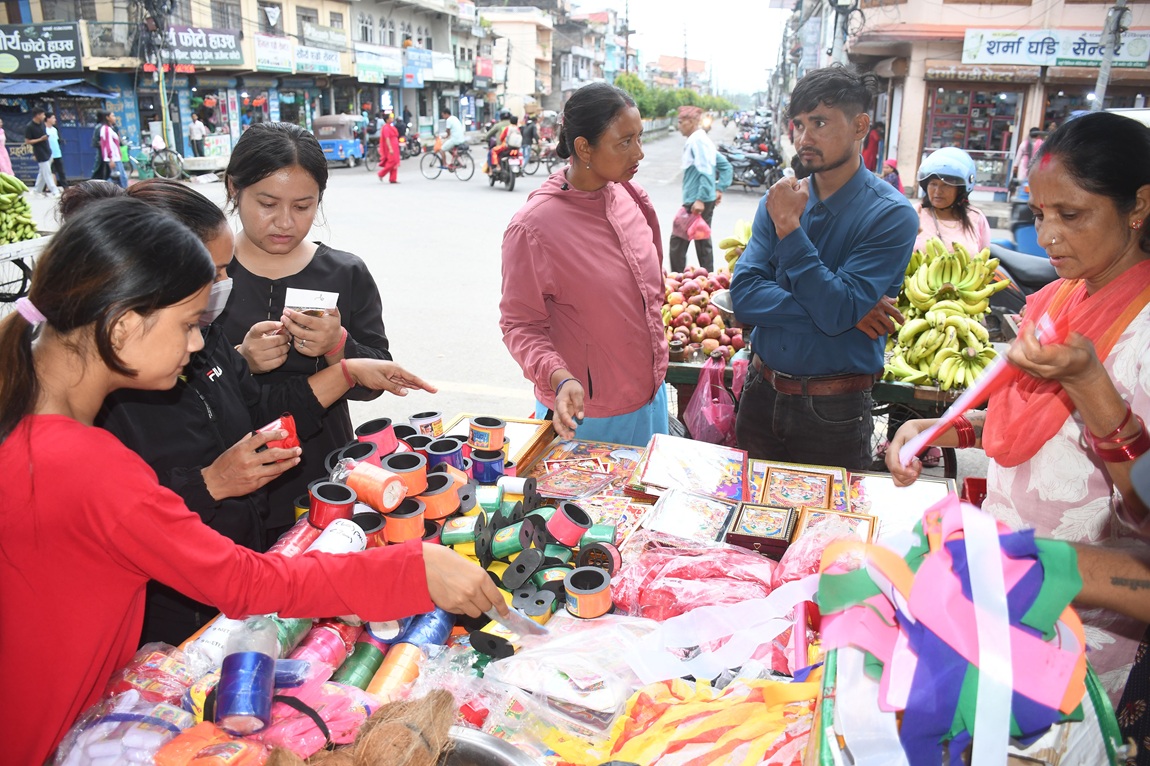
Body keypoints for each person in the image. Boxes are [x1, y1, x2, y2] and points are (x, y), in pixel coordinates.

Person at [0, 198, 507, 764]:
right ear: (122, 326)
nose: (198, 344)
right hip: (45, 729)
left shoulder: (26, 416)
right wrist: (411, 569)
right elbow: (245, 585)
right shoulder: (85, 463)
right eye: (190, 325)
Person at [58, 180, 434, 647]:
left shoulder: (200, 337)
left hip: (235, 572)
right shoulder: (90, 417)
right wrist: (210, 483)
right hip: (173, 611)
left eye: (223, 273)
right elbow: (127, 526)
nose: (198, 339)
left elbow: (258, 407)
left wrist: (347, 369)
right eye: (212, 275)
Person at [885, 112, 1150, 703]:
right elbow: (1045, 435)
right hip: (1005, 598)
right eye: (1040, 216)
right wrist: (947, 430)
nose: (1049, 236)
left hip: (1080, 633)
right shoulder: (1063, 299)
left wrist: (1092, 386)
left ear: (1140, 206)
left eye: (1072, 215)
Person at [730, 65, 918, 469]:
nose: (804, 138)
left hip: (833, 412)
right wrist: (850, 309)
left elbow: (835, 311)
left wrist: (789, 229)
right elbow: (743, 297)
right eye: (798, 124)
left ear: (859, 126)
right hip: (759, 395)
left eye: (819, 122)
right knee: (751, 526)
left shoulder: (891, 215)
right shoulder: (781, 197)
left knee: (830, 529)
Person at [215, 122, 392, 547]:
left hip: (325, 470)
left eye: (303, 206)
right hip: (230, 476)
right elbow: (175, 383)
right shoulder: (208, 271)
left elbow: (375, 381)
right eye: (267, 203)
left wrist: (338, 346)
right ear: (233, 188)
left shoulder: (345, 273)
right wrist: (240, 360)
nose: (284, 221)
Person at [500, 82, 668, 447]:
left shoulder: (632, 197)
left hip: (652, 401)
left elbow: (653, 295)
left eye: (638, 138)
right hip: (588, 415)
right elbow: (520, 325)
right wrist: (559, 376)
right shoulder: (533, 228)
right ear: (583, 147)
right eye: (624, 142)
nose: (638, 153)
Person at [669, 105, 722, 273]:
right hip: (702, 197)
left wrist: (700, 199)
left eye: (681, 122)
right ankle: (709, 277)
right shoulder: (699, 139)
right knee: (702, 240)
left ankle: (677, 278)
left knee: (678, 241)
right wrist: (718, 189)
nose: (679, 126)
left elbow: (705, 169)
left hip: (696, 200)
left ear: (691, 122)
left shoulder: (697, 141)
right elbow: (724, 166)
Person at [913, 146, 991, 254]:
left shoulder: (976, 218)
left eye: (946, 185)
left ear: (960, 190)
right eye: (933, 184)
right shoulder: (916, 213)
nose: (938, 191)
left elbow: (984, 258)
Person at [23, 107, 58, 196]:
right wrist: (40, 139)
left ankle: (36, 190)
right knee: (47, 173)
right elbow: (27, 141)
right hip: (40, 152)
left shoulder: (42, 124)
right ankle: (55, 191)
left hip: (47, 151)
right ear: (37, 115)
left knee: (42, 173)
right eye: (42, 114)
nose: (44, 116)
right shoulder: (29, 126)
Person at [97, 111, 129, 189]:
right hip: (113, 158)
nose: (114, 118)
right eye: (113, 116)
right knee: (121, 178)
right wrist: (111, 158)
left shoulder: (109, 128)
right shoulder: (106, 129)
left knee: (117, 178)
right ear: (107, 117)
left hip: (115, 157)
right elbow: (108, 144)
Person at [376, 112, 401, 183]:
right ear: (387, 120)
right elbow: (387, 138)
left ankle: (393, 178)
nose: (392, 119)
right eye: (390, 118)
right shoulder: (386, 128)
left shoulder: (391, 127)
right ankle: (381, 174)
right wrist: (390, 148)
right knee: (392, 161)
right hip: (391, 146)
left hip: (395, 146)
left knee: (395, 161)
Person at [46, 112, 65, 188]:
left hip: (57, 153)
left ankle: (65, 187)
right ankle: (52, 187)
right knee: (51, 171)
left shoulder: (54, 130)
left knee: (61, 171)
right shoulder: (44, 130)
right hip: (49, 154)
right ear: (48, 119)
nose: (55, 120)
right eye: (53, 118)